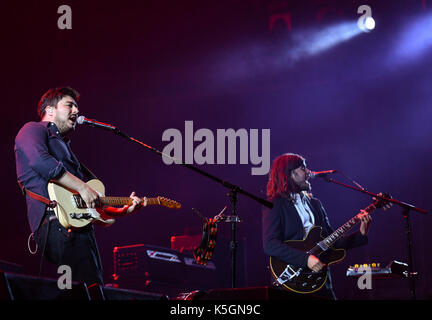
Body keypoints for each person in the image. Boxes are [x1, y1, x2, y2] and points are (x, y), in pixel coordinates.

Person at [14, 87, 146, 286]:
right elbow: (40, 162)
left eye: (76, 106)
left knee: (91, 286)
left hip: (79, 228)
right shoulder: (32, 129)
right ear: (50, 110)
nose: (76, 110)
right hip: (55, 225)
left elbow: (92, 204)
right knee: (80, 289)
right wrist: (83, 187)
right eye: (70, 105)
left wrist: (124, 210)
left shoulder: (66, 149)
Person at [262, 153, 371, 299]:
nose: (308, 172)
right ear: (290, 174)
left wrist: (361, 233)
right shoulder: (275, 204)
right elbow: (270, 245)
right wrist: (305, 259)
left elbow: (332, 241)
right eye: (303, 168)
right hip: (293, 280)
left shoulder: (315, 204)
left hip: (320, 280)